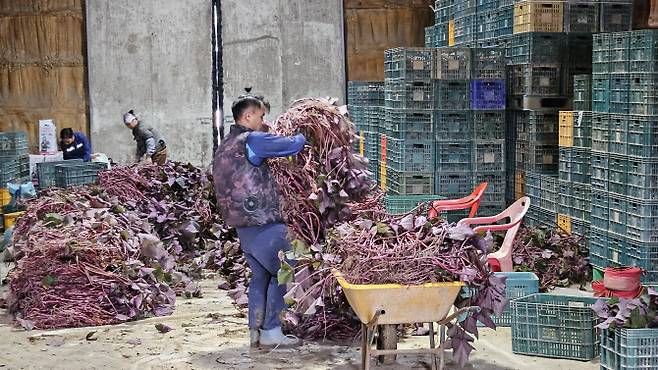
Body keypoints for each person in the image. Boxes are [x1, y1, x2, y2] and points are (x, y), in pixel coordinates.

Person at [213, 95, 305, 348]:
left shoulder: (224, 146)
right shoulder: (252, 140)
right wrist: (305, 131)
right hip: (264, 223)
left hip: (244, 228)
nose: (264, 122)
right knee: (285, 271)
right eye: (261, 116)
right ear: (248, 116)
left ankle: (255, 331)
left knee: (261, 276)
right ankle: (272, 331)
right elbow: (292, 145)